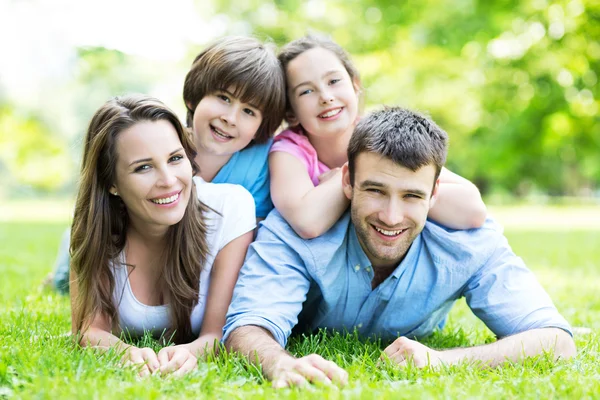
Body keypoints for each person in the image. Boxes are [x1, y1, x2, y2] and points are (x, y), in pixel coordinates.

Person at [223, 107, 575, 388]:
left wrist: (441, 361)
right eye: (375, 190)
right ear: (347, 181)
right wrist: (280, 362)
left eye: (412, 196)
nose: (391, 217)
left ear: (435, 194)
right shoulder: (295, 229)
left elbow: (555, 341)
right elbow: (247, 327)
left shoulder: (469, 242)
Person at [51, 36, 286, 293]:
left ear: (261, 128)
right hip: (136, 242)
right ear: (193, 99)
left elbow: (252, 236)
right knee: (69, 276)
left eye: (249, 111)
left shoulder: (260, 163)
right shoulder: (163, 142)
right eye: (224, 97)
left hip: (202, 260)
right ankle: (60, 267)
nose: (230, 118)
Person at [71, 95, 256, 377]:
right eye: (143, 167)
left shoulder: (230, 209)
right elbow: (89, 329)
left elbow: (218, 334)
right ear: (111, 183)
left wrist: (190, 353)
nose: (168, 180)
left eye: (175, 158)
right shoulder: (96, 228)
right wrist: (125, 353)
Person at [269, 35, 487, 239]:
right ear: (290, 112)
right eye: (306, 91)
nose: (326, 97)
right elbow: (308, 222)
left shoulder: (381, 134)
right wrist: (350, 180)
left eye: (334, 81)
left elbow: (473, 211)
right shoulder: (288, 151)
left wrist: (360, 185)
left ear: (355, 86)